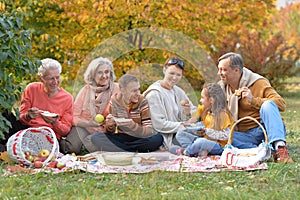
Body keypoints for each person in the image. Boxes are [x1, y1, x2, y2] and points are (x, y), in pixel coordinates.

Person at [217, 52, 293, 163]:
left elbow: (281, 104)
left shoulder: (257, 82)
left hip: (264, 129)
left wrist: (253, 100)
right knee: (215, 136)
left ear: (236, 70)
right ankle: (260, 148)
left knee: (267, 105)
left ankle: (280, 148)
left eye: (224, 70)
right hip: (243, 134)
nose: (219, 73)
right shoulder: (221, 88)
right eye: (219, 69)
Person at [1, 58, 73, 152]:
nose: (55, 82)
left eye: (57, 77)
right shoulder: (31, 89)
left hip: (48, 135)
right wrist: (28, 116)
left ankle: (9, 148)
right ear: (41, 78)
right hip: (27, 129)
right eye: (51, 78)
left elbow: (65, 131)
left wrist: (55, 123)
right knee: (5, 114)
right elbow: (21, 118)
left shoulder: (67, 98)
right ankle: (6, 147)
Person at [61, 57, 120, 154]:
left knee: (95, 146)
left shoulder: (116, 89)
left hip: (104, 130)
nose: (104, 76)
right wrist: (88, 124)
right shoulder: (86, 90)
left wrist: (111, 124)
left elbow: (120, 115)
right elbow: (74, 117)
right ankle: (59, 142)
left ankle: (87, 142)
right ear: (93, 75)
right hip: (83, 126)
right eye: (99, 72)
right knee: (71, 148)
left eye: (106, 72)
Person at [91, 74, 163, 152]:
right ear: (123, 90)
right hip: (123, 136)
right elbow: (111, 131)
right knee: (96, 137)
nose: (138, 93)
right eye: (134, 91)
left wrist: (133, 126)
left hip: (139, 137)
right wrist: (110, 125)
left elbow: (148, 130)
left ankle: (122, 149)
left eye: (138, 89)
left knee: (158, 138)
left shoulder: (142, 101)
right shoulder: (114, 101)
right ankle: (132, 150)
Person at [143, 57, 197, 151]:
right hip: (165, 136)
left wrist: (189, 114)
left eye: (178, 75)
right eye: (171, 73)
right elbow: (159, 124)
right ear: (164, 70)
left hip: (181, 131)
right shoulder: (154, 94)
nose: (174, 78)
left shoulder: (178, 91)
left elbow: (193, 110)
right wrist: (183, 125)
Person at [175, 83, 234, 157]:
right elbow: (194, 120)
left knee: (201, 142)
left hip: (219, 146)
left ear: (211, 100)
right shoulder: (207, 111)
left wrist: (207, 131)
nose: (200, 100)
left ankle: (187, 152)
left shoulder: (223, 115)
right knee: (180, 134)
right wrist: (200, 131)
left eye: (202, 98)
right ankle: (196, 150)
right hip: (205, 140)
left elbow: (227, 135)